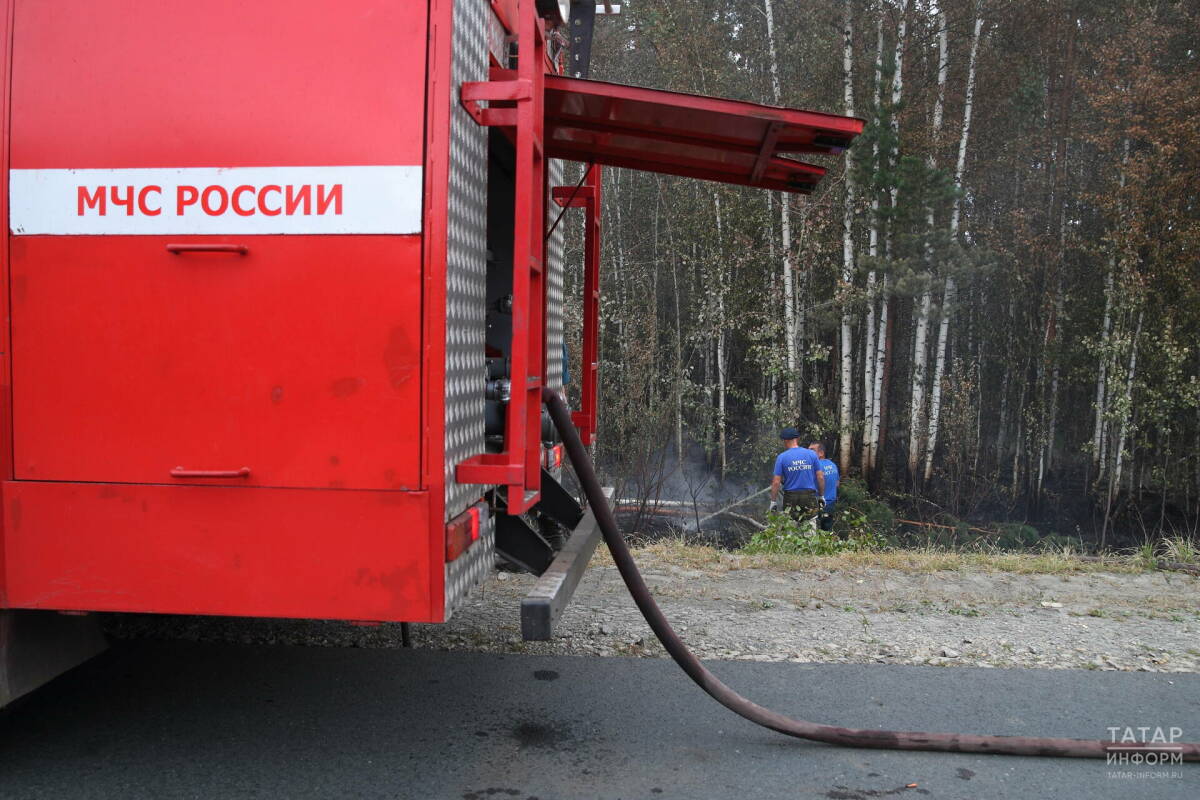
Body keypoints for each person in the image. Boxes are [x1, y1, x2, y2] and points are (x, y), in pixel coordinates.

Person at [769, 427, 825, 534]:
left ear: (785, 441)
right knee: (810, 528)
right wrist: (821, 496)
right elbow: (820, 477)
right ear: (797, 439)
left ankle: (791, 549)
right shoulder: (812, 454)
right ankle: (810, 548)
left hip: (790, 497)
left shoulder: (782, 457)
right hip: (809, 496)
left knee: (791, 529)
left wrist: (773, 501)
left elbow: (776, 482)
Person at [809, 441, 839, 531]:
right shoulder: (832, 465)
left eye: (812, 450)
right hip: (831, 503)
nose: (809, 452)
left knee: (813, 531)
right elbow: (837, 484)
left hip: (818, 503)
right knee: (827, 530)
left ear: (821, 453)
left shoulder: (815, 466)